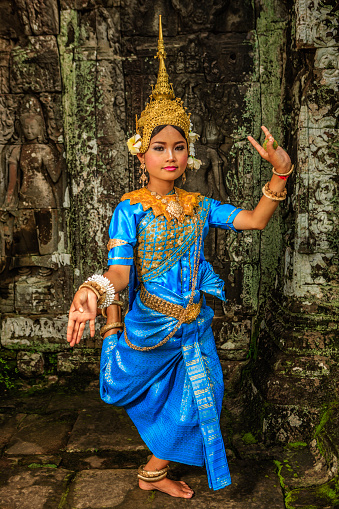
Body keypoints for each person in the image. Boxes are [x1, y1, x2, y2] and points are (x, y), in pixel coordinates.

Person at [67, 16, 292, 499]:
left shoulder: (201, 205)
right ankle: (154, 471)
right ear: (141, 153)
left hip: (194, 322)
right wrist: (94, 290)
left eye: (179, 146)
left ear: (189, 153)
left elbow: (254, 221)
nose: (171, 156)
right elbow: (120, 272)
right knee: (159, 396)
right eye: (159, 147)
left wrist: (282, 173)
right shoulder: (129, 208)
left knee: (204, 393)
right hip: (151, 323)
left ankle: (152, 471)